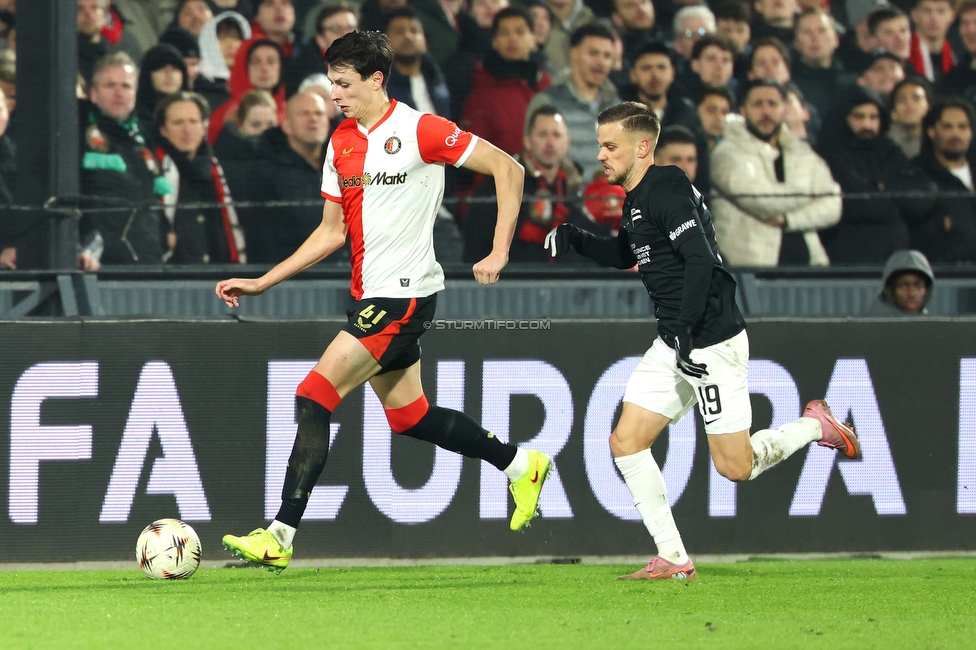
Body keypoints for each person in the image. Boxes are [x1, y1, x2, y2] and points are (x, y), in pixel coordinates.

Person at [217, 32, 552, 573]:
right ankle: (520, 464)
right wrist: (263, 282)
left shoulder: (420, 129)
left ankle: (279, 535)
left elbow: (509, 169)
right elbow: (330, 233)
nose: (334, 94)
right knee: (410, 417)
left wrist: (498, 249)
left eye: (344, 83)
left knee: (313, 394)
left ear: (376, 79)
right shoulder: (341, 142)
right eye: (331, 83)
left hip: (404, 296)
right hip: (369, 296)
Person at [542, 101, 860, 580]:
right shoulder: (639, 197)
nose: (601, 154)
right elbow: (627, 252)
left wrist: (688, 335)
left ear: (642, 147)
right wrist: (574, 237)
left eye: (611, 146)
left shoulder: (666, 186)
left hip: (709, 341)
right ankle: (672, 557)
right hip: (677, 339)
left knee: (736, 467)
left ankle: (816, 426)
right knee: (626, 441)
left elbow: (700, 262)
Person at [710, 79, 841, 267]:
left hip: (809, 266)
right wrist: (812, 193)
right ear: (743, 111)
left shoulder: (802, 152)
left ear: (783, 110)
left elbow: (833, 206)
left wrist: (788, 220)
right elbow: (761, 201)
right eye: (757, 104)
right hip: (750, 269)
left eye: (772, 104)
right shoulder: (727, 153)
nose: (766, 111)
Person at [464, 105, 608, 262]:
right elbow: (477, 242)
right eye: (542, 134)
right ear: (528, 142)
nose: (550, 143)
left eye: (557, 135)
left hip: (569, 280)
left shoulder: (576, 188)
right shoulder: (500, 182)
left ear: (567, 144)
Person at [80, 52, 170, 265]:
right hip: (100, 267)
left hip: (148, 263)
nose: (119, 93)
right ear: (93, 94)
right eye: (110, 86)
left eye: (126, 86)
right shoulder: (78, 136)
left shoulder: (143, 140)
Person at [155, 91, 246, 264]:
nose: (187, 129)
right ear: (163, 130)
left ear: (204, 127)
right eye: (178, 122)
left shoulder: (219, 171)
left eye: (193, 121)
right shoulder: (153, 170)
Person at [525, 23, 619, 179]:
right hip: (564, 199)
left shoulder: (617, 106)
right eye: (593, 53)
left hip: (611, 199)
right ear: (574, 53)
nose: (601, 62)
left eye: (607, 56)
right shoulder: (547, 102)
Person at [462, 6, 550, 155]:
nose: (512, 38)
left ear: (533, 39)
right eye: (504, 33)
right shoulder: (481, 94)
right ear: (494, 41)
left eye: (520, 32)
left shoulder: (547, 85)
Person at [912, 97, 976, 263]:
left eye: (962, 127)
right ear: (932, 132)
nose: (956, 134)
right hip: (944, 272)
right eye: (947, 127)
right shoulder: (916, 173)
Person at [385, 7, 451, 117]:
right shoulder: (380, 90)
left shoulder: (438, 83)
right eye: (399, 32)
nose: (408, 36)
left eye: (414, 31)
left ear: (425, 40)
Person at [867, 249, 935, 316]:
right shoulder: (875, 323)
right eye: (903, 286)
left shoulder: (927, 321)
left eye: (918, 286)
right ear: (890, 290)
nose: (912, 294)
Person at [908, 0, 957, 83]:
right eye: (927, 11)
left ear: (952, 16)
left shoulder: (957, 58)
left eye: (941, 11)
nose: (934, 18)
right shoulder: (904, 57)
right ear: (914, 15)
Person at [887, 78, 932, 158]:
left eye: (916, 98)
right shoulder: (883, 144)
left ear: (928, 106)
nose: (909, 104)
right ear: (893, 111)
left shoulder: (938, 140)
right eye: (901, 100)